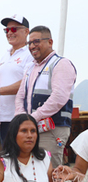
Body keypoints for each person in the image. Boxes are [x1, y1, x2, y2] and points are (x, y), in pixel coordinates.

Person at [15, 25, 76, 169]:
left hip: (52, 129)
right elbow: (20, 96)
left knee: (52, 174)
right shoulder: (30, 67)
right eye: (29, 43)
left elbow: (59, 98)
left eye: (36, 41)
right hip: (32, 128)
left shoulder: (61, 64)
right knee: (31, 172)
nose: (32, 46)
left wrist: (32, 118)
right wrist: (21, 118)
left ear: (50, 42)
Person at [0, 15, 34, 144]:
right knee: (8, 160)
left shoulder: (30, 54)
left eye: (14, 29)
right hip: (4, 117)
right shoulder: (4, 55)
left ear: (26, 31)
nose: (10, 32)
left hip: (22, 116)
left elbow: (27, 82)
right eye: (7, 30)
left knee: (21, 158)